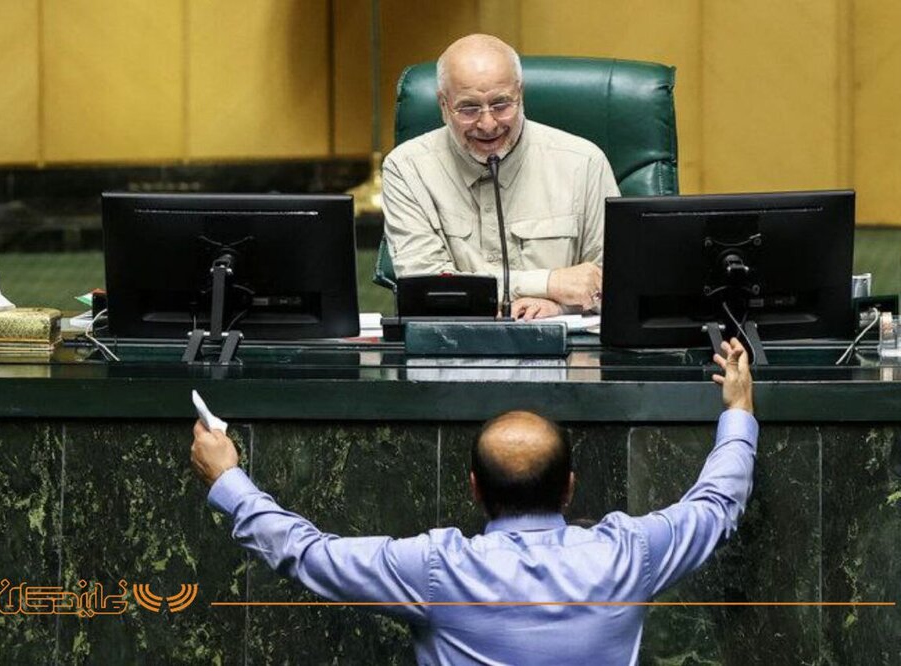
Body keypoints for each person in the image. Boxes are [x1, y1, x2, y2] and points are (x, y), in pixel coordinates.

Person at [190, 338, 757, 665]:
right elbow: (717, 504)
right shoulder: (630, 553)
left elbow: (308, 554)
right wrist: (737, 408)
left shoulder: (436, 570)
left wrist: (230, 478)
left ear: (475, 489)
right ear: (569, 487)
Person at [381, 34, 621, 321]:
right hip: (452, 343)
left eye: (501, 105)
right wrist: (548, 283)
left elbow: (614, 284)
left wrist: (560, 307)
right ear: (443, 105)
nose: (487, 124)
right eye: (468, 108)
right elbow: (428, 288)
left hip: (563, 343)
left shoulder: (585, 163)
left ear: (521, 94)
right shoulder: (407, 168)